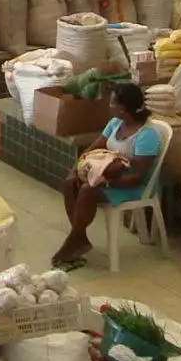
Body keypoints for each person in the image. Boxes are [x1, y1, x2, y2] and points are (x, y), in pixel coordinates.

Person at [53, 82, 163, 269]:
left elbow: (137, 176)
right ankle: (79, 238)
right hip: (108, 176)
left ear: (122, 108)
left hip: (133, 185)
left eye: (112, 103)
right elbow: (94, 148)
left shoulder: (147, 135)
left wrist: (106, 183)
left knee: (88, 191)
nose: (109, 105)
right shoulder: (115, 124)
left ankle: (74, 240)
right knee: (70, 183)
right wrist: (76, 168)